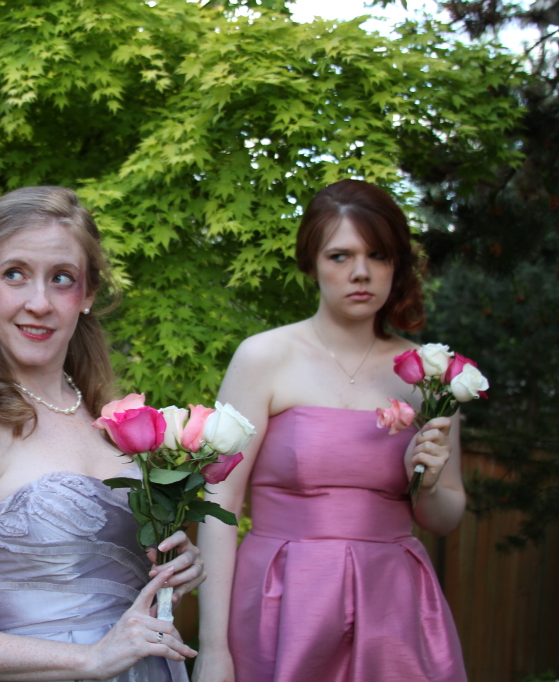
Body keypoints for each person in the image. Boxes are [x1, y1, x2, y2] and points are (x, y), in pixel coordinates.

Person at [0, 186, 204, 681]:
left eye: (61, 279)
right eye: (15, 274)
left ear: (88, 295)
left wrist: (174, 568)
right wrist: (88, 660)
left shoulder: (112, 423)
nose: (39, 302)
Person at [194, 179, 468, 682]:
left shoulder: (430, 374)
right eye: (340, 256)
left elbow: (446, 515)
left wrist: (428, 484)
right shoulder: (264, 357)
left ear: (396, 265)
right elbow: (219, 505)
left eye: (378, 255)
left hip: (394, 606)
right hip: (281, 598)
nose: (360, 272)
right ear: (312, 262)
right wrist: (214, 651)